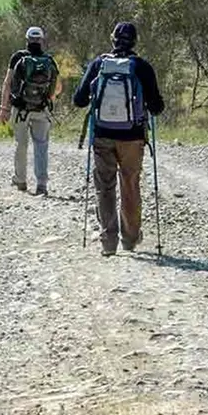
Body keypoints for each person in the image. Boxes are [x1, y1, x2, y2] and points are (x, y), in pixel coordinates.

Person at [74, 22, 165, 256]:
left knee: (104, 187)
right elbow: (157, 107)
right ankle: (131, 237)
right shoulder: (142, 67)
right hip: (132, 138)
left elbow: (79, 100)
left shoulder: (99, 64)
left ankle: (108, 241)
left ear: (112, 39)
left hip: (103, 135)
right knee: (130, 185)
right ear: (135, 41)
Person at [0, 26, 61, 196]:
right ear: (41, 40)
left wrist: (4, 108)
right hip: (42, 109)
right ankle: (41, 184)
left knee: (21, 144)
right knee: (41, 145)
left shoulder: (18, 58)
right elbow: (57, 86)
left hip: (21, 110)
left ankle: (20, 180)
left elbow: (7, 83)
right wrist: (48, 101)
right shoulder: (48, 60)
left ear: (27, 40)